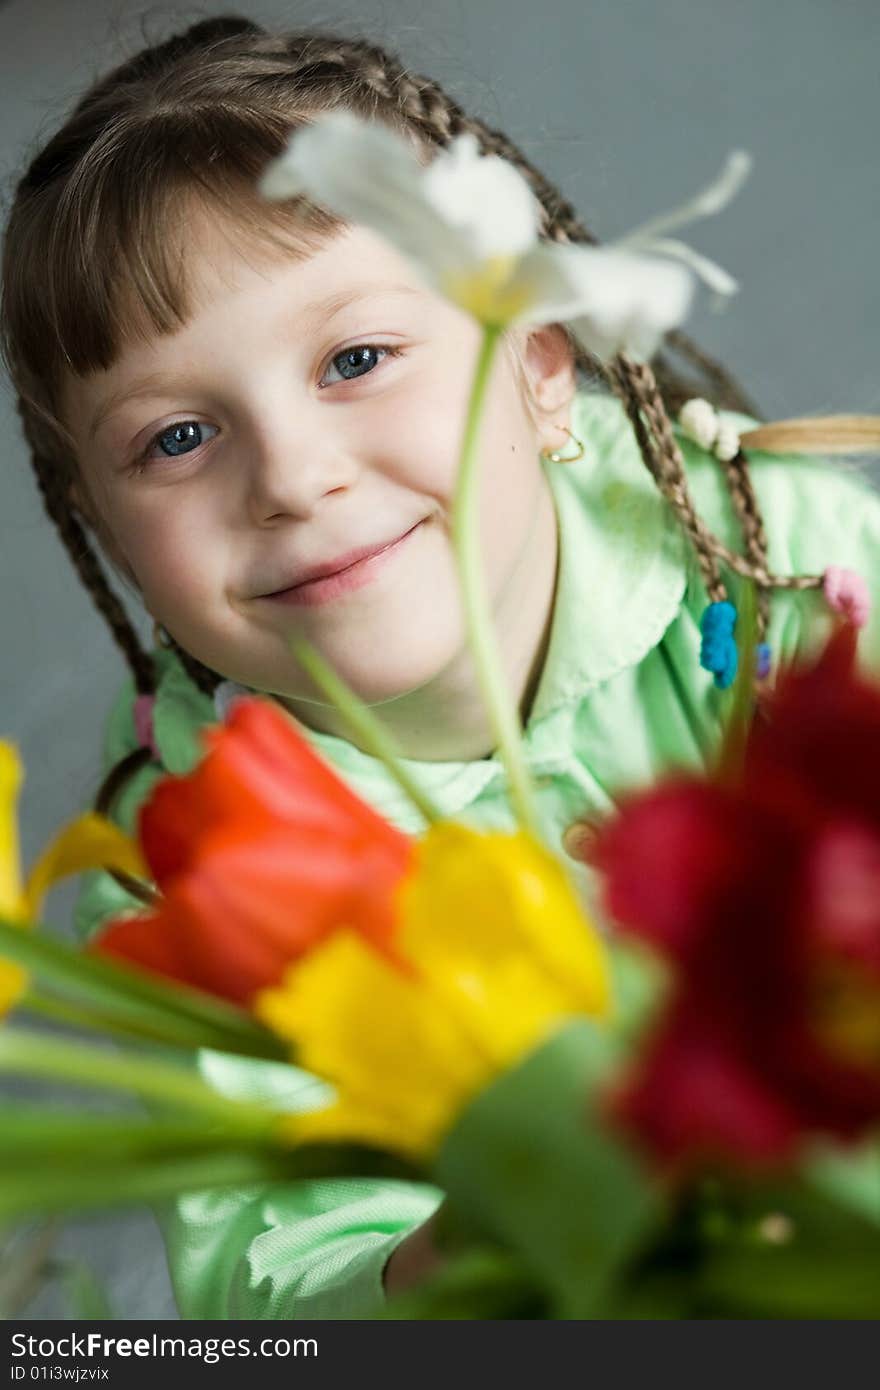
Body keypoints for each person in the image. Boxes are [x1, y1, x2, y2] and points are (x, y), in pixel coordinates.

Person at [3, 15, 880, 1320]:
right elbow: (272, 1281)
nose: (294, 478)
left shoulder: (788, 556)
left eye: (356, 360)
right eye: (178, 437)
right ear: (110, 529)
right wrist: (485, 1231)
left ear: (537, 366)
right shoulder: (182, 868)